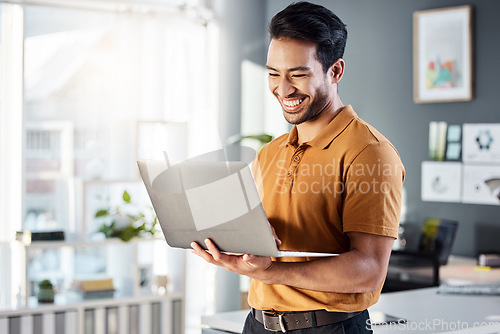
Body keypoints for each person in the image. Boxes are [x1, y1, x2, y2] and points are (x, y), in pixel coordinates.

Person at [191, 2, 405, 333]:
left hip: (329, 327)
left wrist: (268, 272)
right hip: (258, 323)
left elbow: (369, 268)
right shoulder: (270, 152)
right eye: (274, 73)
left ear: (335, 71)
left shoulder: (369, 152)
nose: (283, 88)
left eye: (299, 74)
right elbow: (271, 245)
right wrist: (236, 243)